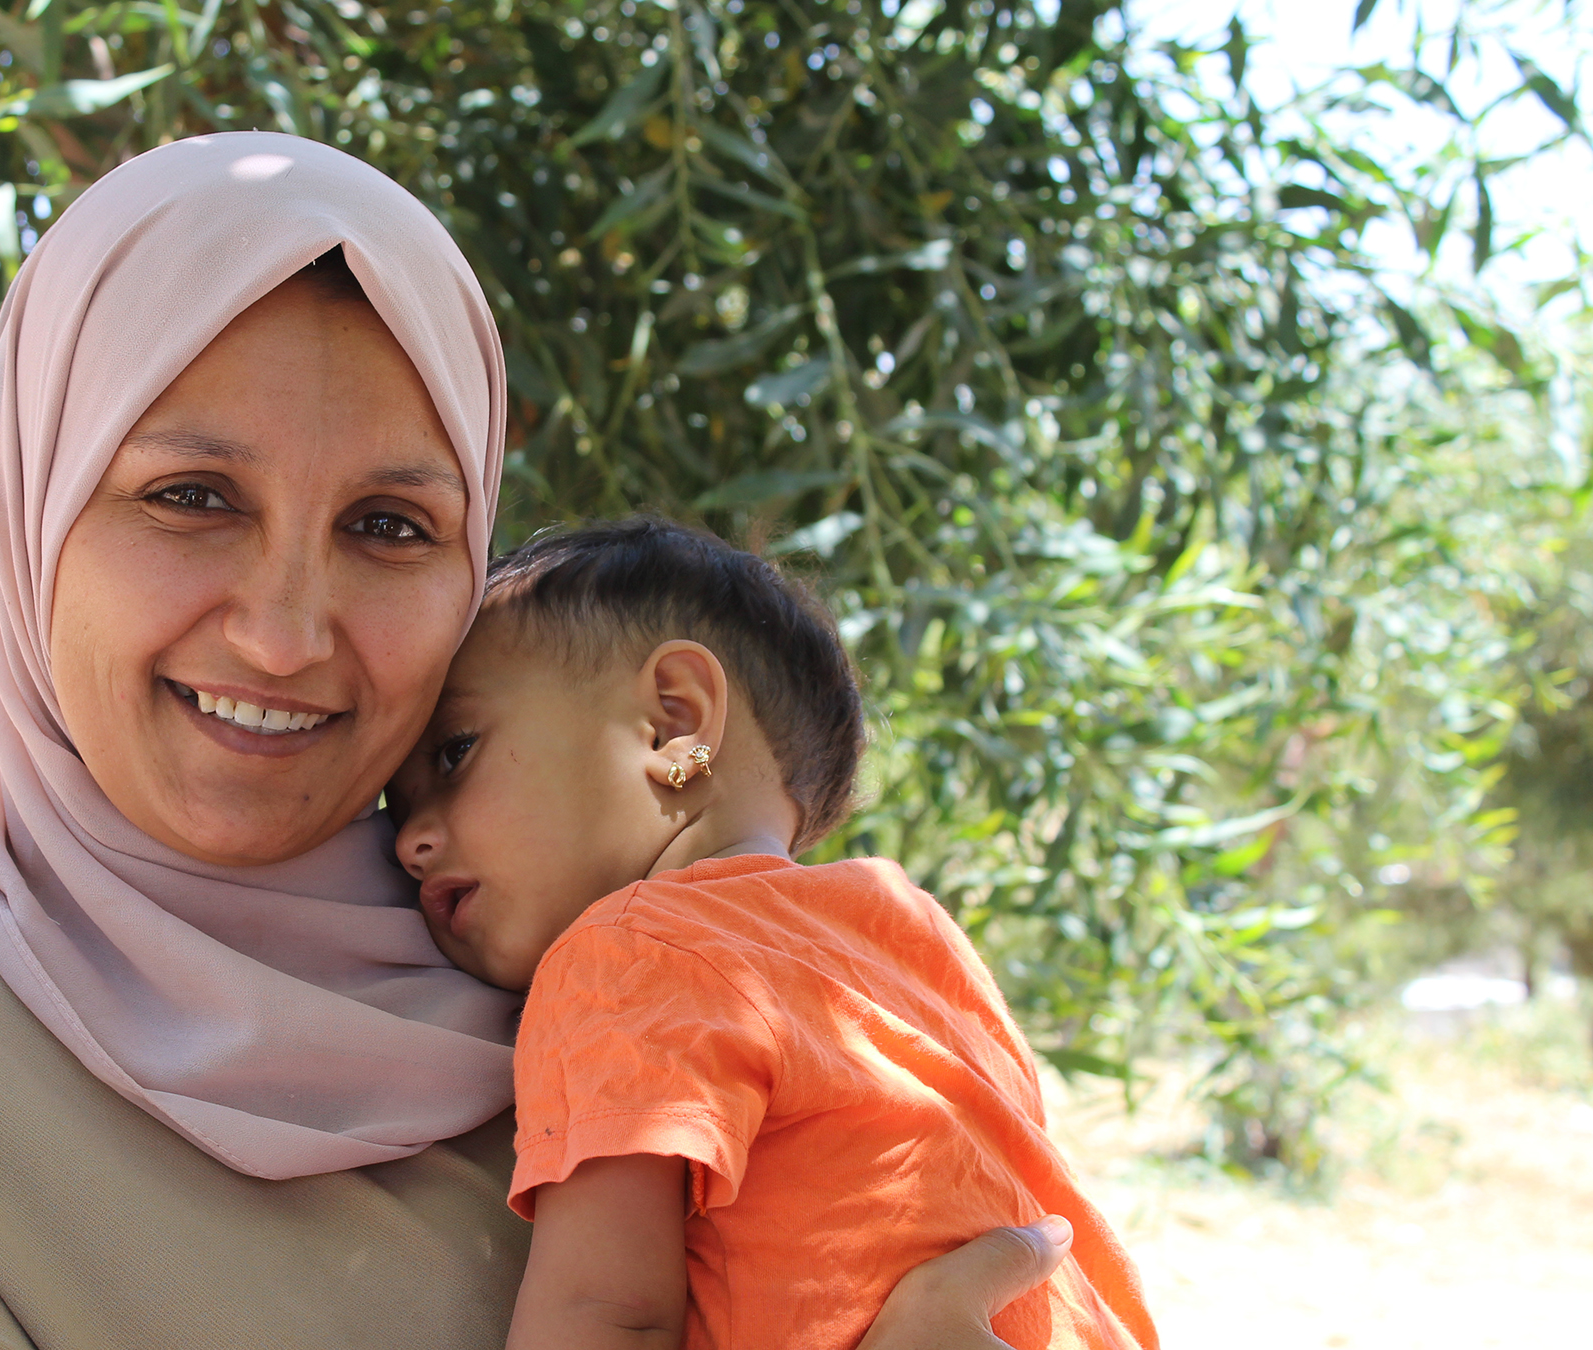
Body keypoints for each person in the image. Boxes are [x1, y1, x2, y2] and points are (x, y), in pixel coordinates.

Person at [0, 131, 1079, 1350]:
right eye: (190, 495)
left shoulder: (627, 996)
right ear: (31, 513)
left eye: (388, 526)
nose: (288, 631)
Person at [387, 518, 1160, 1350]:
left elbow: (607, 1320)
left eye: (456, 752)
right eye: (397, 806)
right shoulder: (913, 930)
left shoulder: (624, 955)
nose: (407, 841)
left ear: (674, 723)